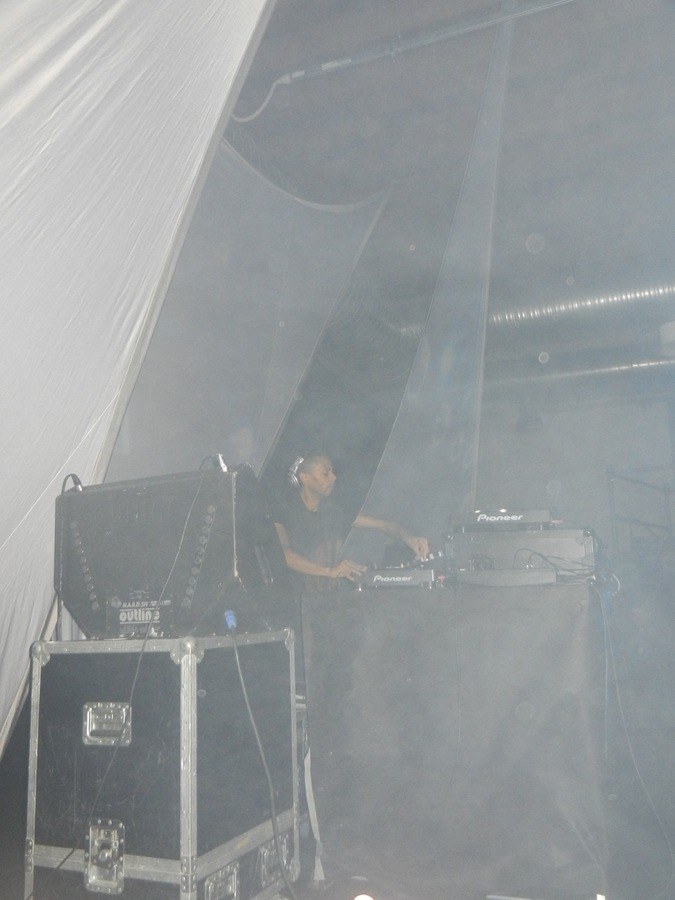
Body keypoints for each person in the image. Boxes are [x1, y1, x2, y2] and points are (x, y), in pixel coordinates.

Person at [274, 452, 429, 592]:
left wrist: (409, 538)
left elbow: (385, 525)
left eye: (333, 472)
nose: (333, 477)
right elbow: (284, 555)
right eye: (326, 473)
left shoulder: (334, 510)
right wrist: (329, 571)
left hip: (328, 598)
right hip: (295, 598)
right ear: (304, 477)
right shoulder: (284, 511)